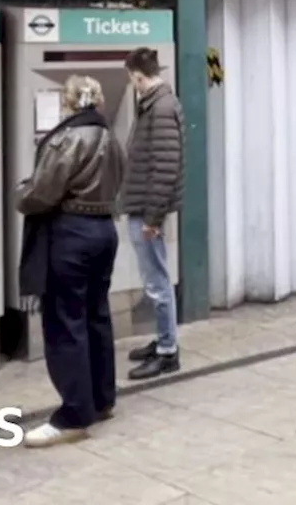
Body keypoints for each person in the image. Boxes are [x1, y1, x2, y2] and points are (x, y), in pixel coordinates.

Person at [16, 76, 125, 447]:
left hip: (70, 234)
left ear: (66, 102)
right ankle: (101, 398)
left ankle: (74, 416)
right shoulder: (111, 136)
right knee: (96, 316)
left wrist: (21, 193)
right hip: (104, 232)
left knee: (65, 322)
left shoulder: (67, 139)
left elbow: (41, 193)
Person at [122, 47, 186, 380]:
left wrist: (152, 219)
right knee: (154, 279)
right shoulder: (155, 104)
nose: (132, 84)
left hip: (148, 209)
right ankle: (163, 339)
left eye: (132, 78)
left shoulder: (160, 108)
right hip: (144, 205)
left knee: (158, 281)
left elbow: (165, 168)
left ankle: (167, 352)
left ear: (138, 75)